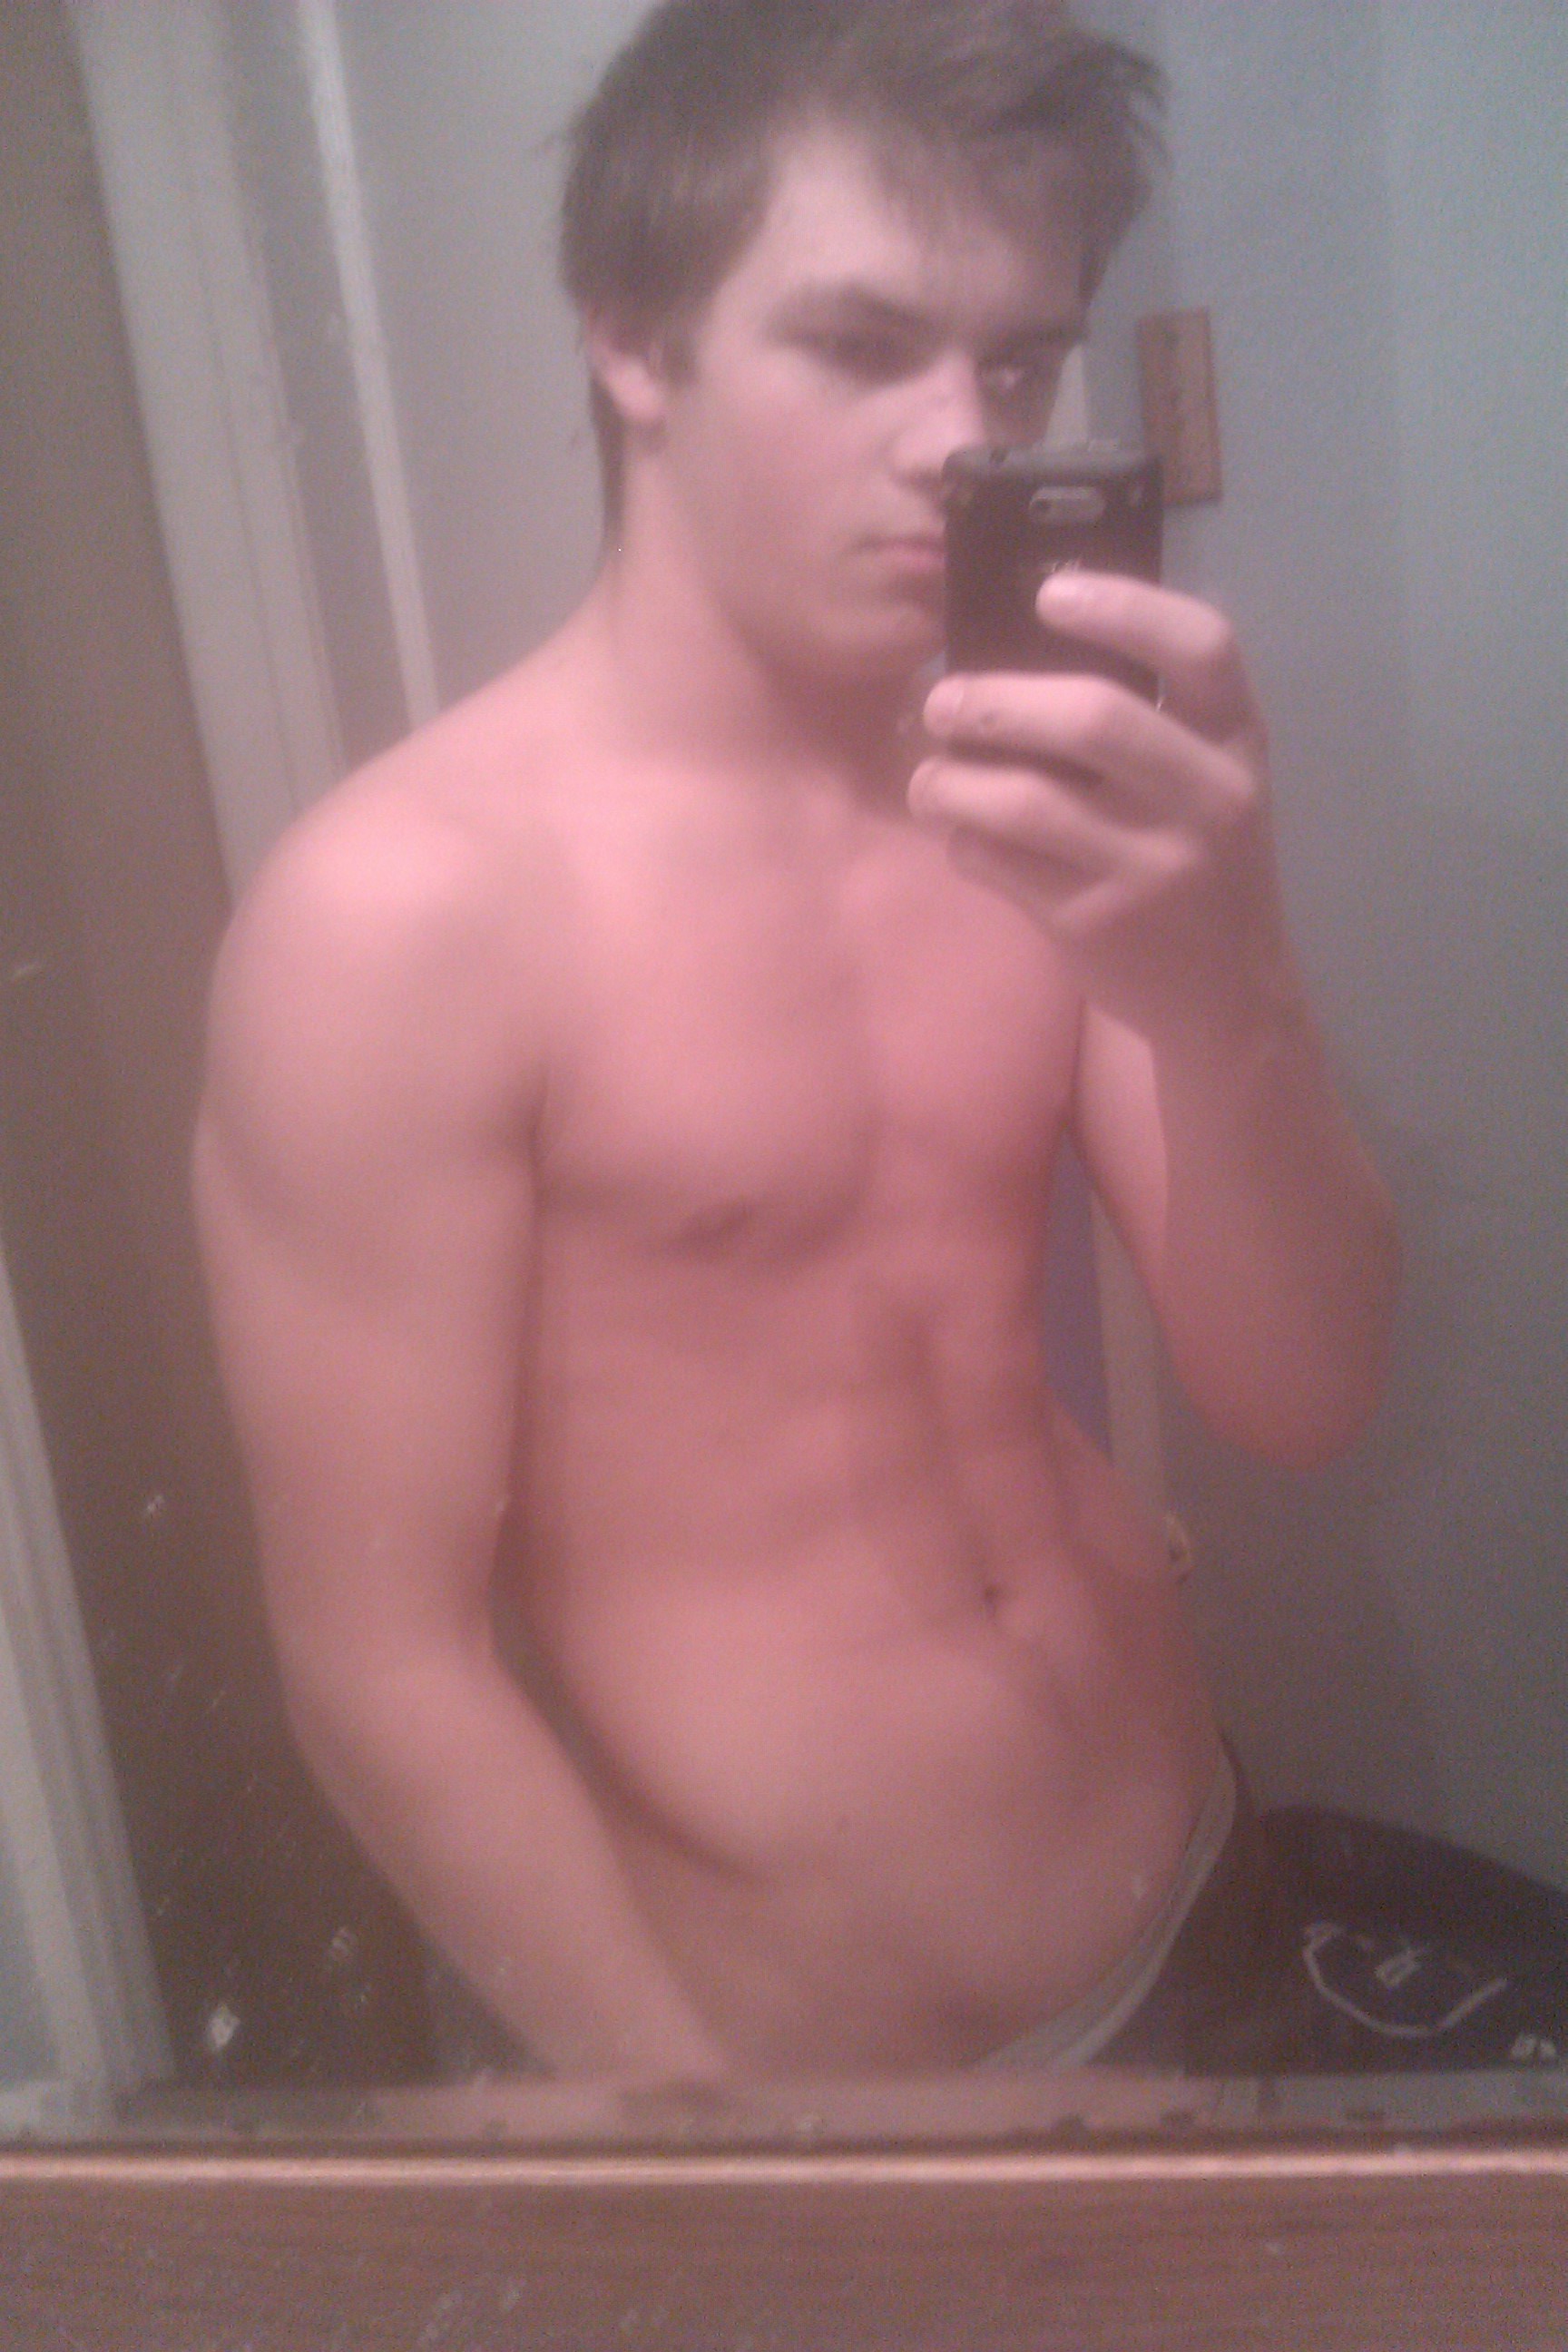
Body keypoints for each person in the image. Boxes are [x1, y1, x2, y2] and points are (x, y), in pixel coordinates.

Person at [194, 0, 1404, 2082]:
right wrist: (717, 2161)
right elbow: (381, 1671)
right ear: (633, 340)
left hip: (1201, 1875)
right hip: (830, 2073)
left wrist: (1231, 983)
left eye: (1014, 364)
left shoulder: (1032, 799)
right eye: (859, 346)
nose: (959, 441)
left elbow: (1305, 1394)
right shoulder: (403, 920)